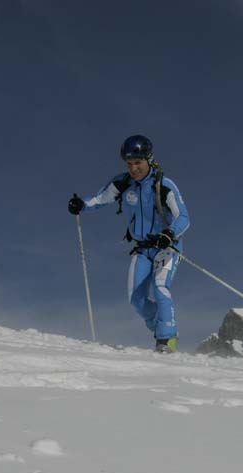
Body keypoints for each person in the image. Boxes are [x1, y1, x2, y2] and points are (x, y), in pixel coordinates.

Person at [68, 135, 189, 353]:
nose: (133, 168)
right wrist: (81, 205)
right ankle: (161, 324)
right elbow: (100, 199)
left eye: (138, 162)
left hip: (166, 247)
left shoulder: (164, 185)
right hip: (142, 249)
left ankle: (167, 340)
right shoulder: (123, 183)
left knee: (160, 288)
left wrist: (169, 234)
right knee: (136, 299)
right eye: (129, 163)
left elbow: (183, 217)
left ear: (148, 159)